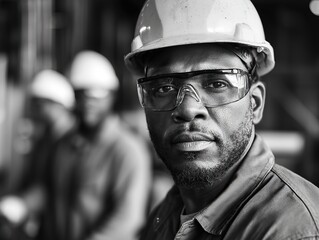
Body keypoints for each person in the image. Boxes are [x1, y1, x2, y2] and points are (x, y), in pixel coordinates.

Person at [124, 0, 319, 239]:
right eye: (164, 88)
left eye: (217, 84)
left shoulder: (294, 230)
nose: (187, 108)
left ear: (255, 103)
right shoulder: (167, 213)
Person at [39, 51, 151, 240]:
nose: (89, 103)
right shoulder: (62, 145)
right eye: (82, 95)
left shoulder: (127, 150)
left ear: (112, 96)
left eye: (98, 95)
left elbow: (128, 220)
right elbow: (48, 198)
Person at [0, 69, 76, 238]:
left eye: (39, 105)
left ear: (57, 104)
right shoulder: (45, 139)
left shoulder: (74, 143)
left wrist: (23, 205)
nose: (35, 111)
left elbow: (54, 188)